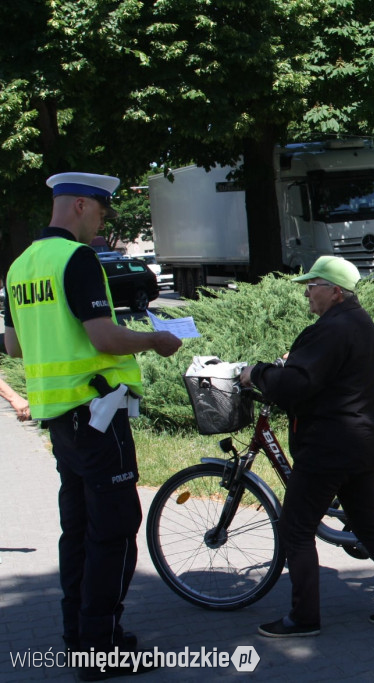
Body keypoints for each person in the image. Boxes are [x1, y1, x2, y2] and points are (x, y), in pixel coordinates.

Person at [4, 172, 182, 679]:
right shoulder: (75, 260)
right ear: (81, 205)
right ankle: (101, 650)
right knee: (115, 530)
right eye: (102, 210)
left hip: (59, 419)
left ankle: (78, 635)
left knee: (78, 528)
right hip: (98, 416)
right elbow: (103, 336)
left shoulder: (19, 267)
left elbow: (14, 347)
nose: (104, 220)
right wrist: (155, 341)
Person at [239, 255, 374, 637]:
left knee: (296, 529)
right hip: (360, 443)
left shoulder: (331, 329)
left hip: (329, 446)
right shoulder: (357, 322)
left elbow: (297, 385)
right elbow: (323, 372)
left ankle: (302, 618)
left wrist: (256, 372)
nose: (307, 293)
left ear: (334, 292)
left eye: (313, 286)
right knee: (370, 526)